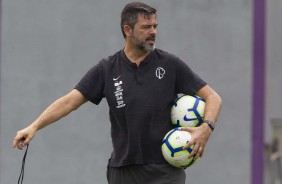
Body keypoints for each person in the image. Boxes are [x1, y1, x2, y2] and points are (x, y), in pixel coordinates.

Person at [13, 2, 222, 184]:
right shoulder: (107, 69)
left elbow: (213, 97)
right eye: (146, 27)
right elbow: (69, 102)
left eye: (155, 26)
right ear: (127, 30)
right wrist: (34, 126)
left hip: (165, 170)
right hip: (122, 170)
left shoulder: (170, 64)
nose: (153, 32)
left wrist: (207, 127)